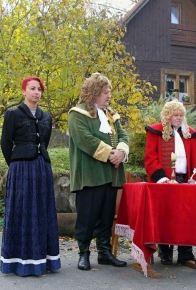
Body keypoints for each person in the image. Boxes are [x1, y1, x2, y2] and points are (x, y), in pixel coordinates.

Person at [0, 76, 61, 276]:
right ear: (23, 91)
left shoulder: (46, 117)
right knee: (22, 211)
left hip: (42, 168)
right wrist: (17, 164)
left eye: (39, 89)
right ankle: (18, 261)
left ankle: (43, 261)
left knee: (41, 211)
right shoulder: (13, 114)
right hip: (21, 169)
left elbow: (45, 142)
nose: (37, 92)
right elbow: (6, 144)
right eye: (32, 89)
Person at [68, 73, 129, 270]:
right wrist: (110, 153)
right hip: (90, 174)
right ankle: (83, 253)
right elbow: (84, 139)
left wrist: (121, 151)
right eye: (105, 92)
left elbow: (123, 135)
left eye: (109, 92)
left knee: (106, 216)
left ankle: (104, 252)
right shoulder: (77, 114)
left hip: (111, 175)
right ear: (94, 93)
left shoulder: (111, 114)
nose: (108, 95)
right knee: (87, 217)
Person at [144, 100, 196, 265]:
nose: (179, 118)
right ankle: (165, 252)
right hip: (164, 182)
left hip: (186, 180)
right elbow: (150, 158)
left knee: (187, 216)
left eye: (181, 115)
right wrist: (162, 179)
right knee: (165, 216)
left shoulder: (189, 134)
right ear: (168, 116)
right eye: (176, 115)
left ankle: (185, 252)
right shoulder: (156, 131)